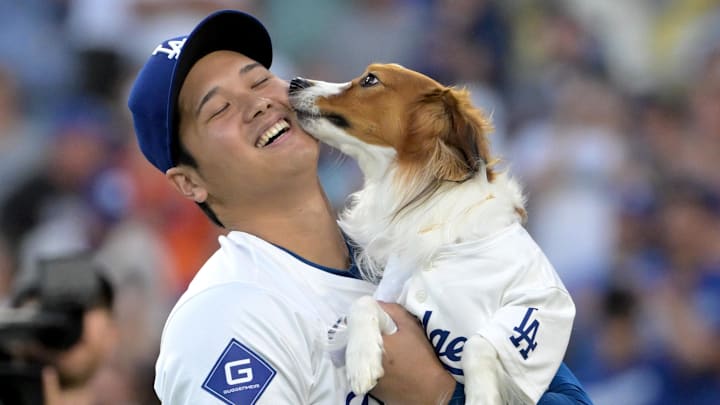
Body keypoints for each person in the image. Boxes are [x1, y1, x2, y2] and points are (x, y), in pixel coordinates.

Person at [128, 9, 592, 404]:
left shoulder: (422, 242)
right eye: (219, 110)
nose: (258, 104)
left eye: (260, 80)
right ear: (189, 183)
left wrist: (439, 395)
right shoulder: (226, 318)